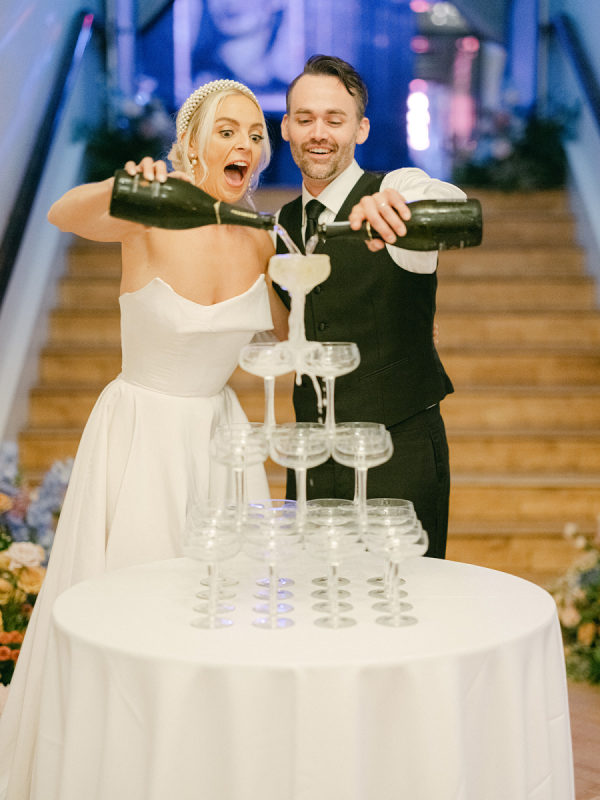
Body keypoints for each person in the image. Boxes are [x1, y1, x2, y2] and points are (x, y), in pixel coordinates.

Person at [0, 78, 287, 799]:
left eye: (256, 134)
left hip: (222, 443)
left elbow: (288, 341)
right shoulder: (149, 210)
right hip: (143, 435)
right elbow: (64, 213)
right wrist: (124, 184)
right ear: (191, 144)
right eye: (228, 130)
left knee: (223, 615)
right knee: (135, 609)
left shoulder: (261, 236)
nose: (246, 144)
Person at [273, 55, 467, 559]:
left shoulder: (395, 191)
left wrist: (403, 209)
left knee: (403, 597)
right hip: (311, 460)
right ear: (286, 127)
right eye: (305, 119)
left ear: (360, 129)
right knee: (314, 595)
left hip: (398, 455)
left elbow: (450, 206)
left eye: (334, 120)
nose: (319, 133)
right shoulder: (280, 225)